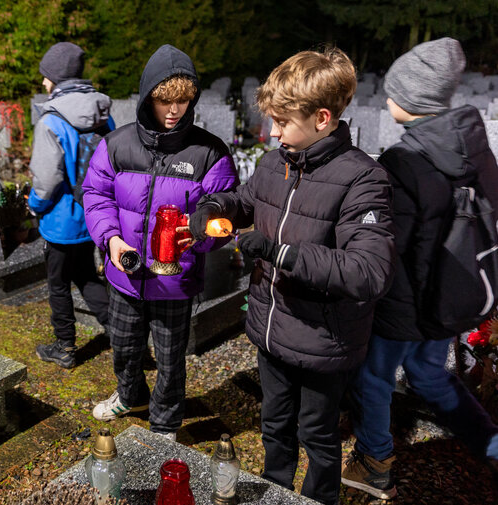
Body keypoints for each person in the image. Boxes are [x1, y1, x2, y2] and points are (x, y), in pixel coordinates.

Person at [189, 47, 395, 505]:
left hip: (324, 339)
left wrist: (281, 253)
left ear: (323, 117)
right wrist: (215, 208)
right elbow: (245, 200)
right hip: (271, 327)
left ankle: (317, 499)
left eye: (283, 121)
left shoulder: (364, 179)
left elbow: (369, 272)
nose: (273, 131)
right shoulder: (275, 161)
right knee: (274, 424)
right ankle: (273, 491)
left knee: (318, 436)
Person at [341, 37, 498, 500]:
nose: (387, 99)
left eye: (393, 92)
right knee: (430, 375)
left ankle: (374, 462)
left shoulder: (404, 161)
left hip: (404, 301)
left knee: (374, 378)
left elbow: (389, 244)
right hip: (453, 292)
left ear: (412, 100)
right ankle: (492, 443)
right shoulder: (476, 150)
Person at [83, 44, 239, 440]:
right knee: (123, 346)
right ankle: (129, 395)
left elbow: (221, 216)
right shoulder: (116, 144)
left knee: (170, 359)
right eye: (164, 100)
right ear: (147, 96)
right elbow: (96, 196)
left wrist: (199, 238)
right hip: (125, 273)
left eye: (184, 101)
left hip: (175, 280)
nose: (174, 110)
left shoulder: (210, 153)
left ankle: (165, 423)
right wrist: (111, 240)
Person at [29, 42, 112, 369]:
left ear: (55, 78)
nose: (43, 84)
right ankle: (122, 335)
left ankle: (64, 347)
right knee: (88, 277)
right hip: (94, 215)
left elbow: (47, 181)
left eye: (46, 77)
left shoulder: (51, 120)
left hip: (61, 220)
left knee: (59, 284)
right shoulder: (104, 115)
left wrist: (34, 205)